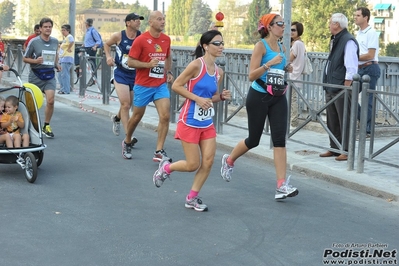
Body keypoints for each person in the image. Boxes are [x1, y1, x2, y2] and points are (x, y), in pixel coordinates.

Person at [220, 13, 298, 200]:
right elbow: (251, 75)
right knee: (253, 140)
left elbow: (278, 69)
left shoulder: (282, 46)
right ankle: (229, 160)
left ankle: (281, 185)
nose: (284, 27)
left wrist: (285, 68)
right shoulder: (260, 46)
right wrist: (269, 64)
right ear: (269, 27)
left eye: (284, 24)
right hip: (259, 96)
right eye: (280, 24)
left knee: (279, 140)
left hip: (278, 96)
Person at [153, 30, 231, 212]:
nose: (221, 46)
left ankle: (192, 198)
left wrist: (221, 97)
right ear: (205, 46)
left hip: (206, 123)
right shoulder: (196, 65)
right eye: (216, 43)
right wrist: (196, 98)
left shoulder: (219, 72)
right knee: (192, 164)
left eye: (222, 43)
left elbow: (210, 98)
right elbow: (176, 85)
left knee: (209, 162)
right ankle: (166, 168)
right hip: (189, 121)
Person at [122, 10, 174, 161]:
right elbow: (130, 61)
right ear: (150, 22)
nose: (163, 21)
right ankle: (127, 141)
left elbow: (167, 56)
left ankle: (159, 150)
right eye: (159, 19)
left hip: (160, 84)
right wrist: (147, 64)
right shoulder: (141, 40)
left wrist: (168, 71)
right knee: (137, 116)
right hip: (143, 85)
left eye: (164, 19)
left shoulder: (166, 39)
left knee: (165, 116)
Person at [319, 13, 359, 161]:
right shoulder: (336, 39)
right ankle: (334, 148)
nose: (329, 25)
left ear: (337, 25)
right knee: (332, 119)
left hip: (341, 86)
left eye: (330, 23)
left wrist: (346, 85)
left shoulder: (348, 41)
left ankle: (346, 150)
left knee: (344, 119)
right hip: (331, 85)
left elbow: (351, 66)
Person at [104, 12, 143, 142]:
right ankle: (128, 137)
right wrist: (109, 57)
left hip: (134, 74)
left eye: (139, 20)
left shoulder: (141, 37)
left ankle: (117, 118)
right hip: (120, 72)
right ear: (128, 23)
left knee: (128, 104)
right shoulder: (119, 35)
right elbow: (106, 44)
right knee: (125, 105)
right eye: (136, 20)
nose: (138, 22)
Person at [23, 17, 61, 138]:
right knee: (33, 104)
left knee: (50, 101)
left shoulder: (55, 41)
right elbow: (25, 58)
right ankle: (30, 126)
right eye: (45, 27)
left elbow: (55, 55)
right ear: (40, 28)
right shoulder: (34, 42)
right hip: (36, 75)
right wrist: (35, 60)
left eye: (50, 27)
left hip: (49, 75)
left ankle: (46, 125)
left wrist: (57, 64)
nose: (48, 29)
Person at [354, 7, 381, 137]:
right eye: (355, 15)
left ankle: (367, 130)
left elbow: (370, 55)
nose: (355, 17)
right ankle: (363, 122)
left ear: (365, 17)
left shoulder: (371, 33)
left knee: (368, 100)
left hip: (370, 68)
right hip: (360, 69)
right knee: (349, 94)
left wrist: (353, 57)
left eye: (358, 15)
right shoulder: (358, 33)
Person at [289, 22, 306, 127]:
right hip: (296, 75)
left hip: (293, 75)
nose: (291, 32)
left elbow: (289, 58)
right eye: (290, 30)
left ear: (299, 31)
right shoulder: (301, 43)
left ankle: (293, 122)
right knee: (292, 99)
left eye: (294, 30)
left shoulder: (296, 44)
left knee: (292, 100)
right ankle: (293, 121)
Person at [83, 18, 102, 83]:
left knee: (92, 63)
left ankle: (94, 78)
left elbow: (98, 40)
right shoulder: (87, 31)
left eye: (85, 23)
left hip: (91, 49)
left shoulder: (93, 31)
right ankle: (78, 66)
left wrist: (95, 46)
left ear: (87, 24)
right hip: (86, 48)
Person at [58, 24, 75, 94]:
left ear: (68, 31)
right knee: (60, 75)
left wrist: (68, 48)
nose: (62, 32)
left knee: (64, 74)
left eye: (64, 30)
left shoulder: (69, 36)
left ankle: (66, 90)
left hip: (67, 58)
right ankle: (63, 88)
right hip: (63, 58)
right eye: (62, 30)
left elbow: (72, 41)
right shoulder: (65, 39)